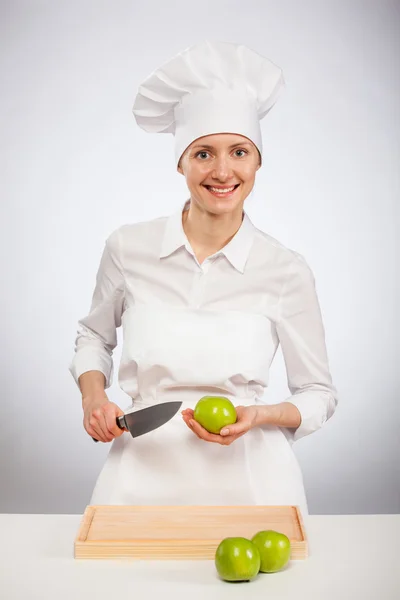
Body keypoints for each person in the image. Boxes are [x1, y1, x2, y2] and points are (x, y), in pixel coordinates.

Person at [69, 40, 338, 521]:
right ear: (180, 162)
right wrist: (95, 397)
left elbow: (317, 394)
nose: (222, 171)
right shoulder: (128, 248)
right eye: (202, 153)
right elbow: (94, 335)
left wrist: (263, 415)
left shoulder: (286, 269)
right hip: (138, 476)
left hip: (254, 483)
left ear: (257, 162)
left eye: (239, 152)